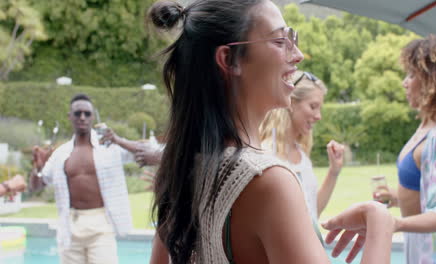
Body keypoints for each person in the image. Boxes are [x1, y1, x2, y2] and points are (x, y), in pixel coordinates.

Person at [148, 0, 396, 263]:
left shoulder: (181, 171)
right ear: (229, 60)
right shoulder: (266, 181)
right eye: (280, 41)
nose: (298, 54)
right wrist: (380, 223)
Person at [375, 34, 436, 263]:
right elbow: (427, 196)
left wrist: (396, 223)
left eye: (412, 75)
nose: (404, 82)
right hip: (420, 251)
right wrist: (397, 198)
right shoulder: (425, 129)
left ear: (435, 81)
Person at [30, 93, 143, 264]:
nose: (82, 117)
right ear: (70, 117)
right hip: (70, 225)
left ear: (93, 116)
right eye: (77, 113)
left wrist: (118, 140)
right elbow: (36, 186)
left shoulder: (109, 146)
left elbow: (146, 151)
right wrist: (37, 167)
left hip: (101, 224)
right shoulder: (61, 154)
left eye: (87, 113)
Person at [260, 70, 345, 226]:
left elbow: (313, 213)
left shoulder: (301, 155)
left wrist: (334, 172)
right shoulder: (266, 155)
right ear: (291, 103)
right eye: (313, 106)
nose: (319, 116)